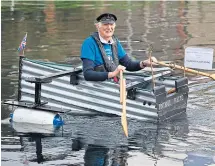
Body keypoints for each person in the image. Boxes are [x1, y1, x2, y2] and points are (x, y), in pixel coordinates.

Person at [80, 13, 157, 82]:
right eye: (105, 24)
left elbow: (128, 64)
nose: (109, 27)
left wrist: (144, 63)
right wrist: (113, 73)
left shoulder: (115, 42)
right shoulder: (89, 43)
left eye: (111, 24)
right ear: (97, 26)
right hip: (101, 85)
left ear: (114, 26)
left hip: (113, 81)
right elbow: (88, 74)